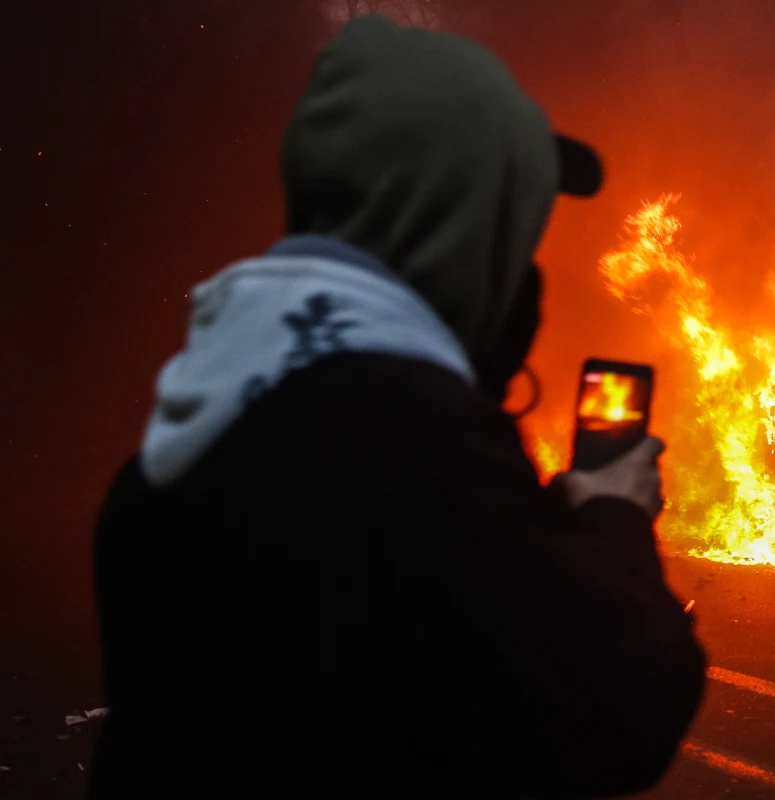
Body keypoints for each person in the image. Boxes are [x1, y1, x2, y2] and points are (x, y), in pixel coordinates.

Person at [89, 16, 705, 800]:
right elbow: (624, 705)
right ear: (452, 230)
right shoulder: (404, 434)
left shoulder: (212, 402)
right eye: (509, 238)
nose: (521, 279)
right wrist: (614, 515)